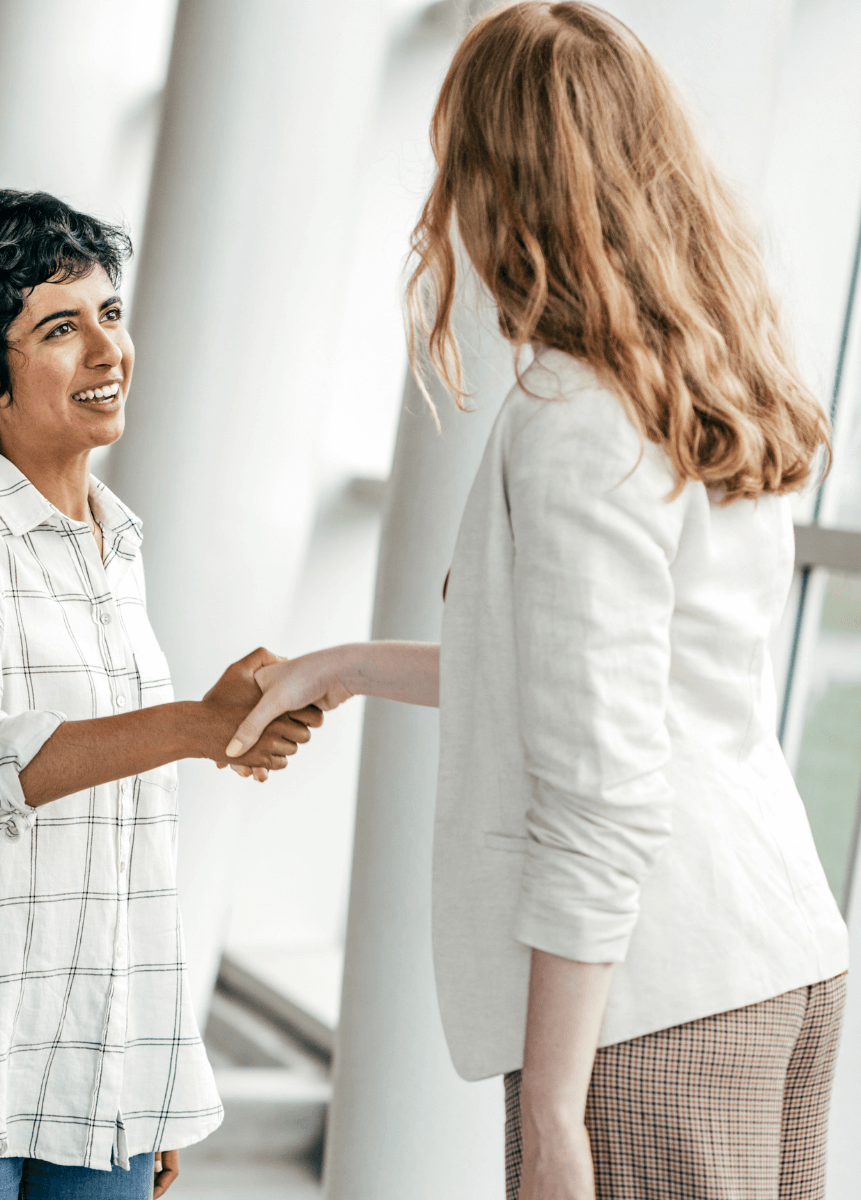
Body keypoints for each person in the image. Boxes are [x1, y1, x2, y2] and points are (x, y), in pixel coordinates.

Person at [224, 5, 849, 1198]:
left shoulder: (576, 416)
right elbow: (596, 679)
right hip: (775, 951)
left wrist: (556, 1115)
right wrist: (346, 665)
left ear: (500, 183)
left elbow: (600, 786)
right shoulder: (706, 374)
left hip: (653, 1003)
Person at [0, 189, 323, 1199]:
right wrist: (195, 726)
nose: (106, 351)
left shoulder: (113, 546)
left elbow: (128, 844)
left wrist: (158, 1068)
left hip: (97, 1059)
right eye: (60, 327)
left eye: (111, 315)